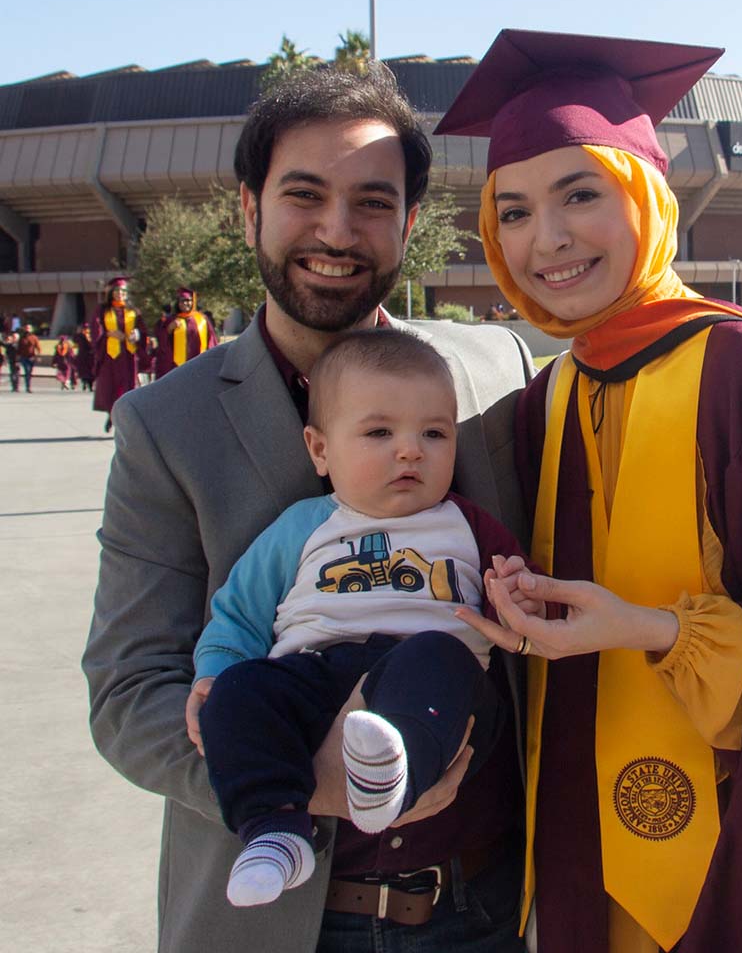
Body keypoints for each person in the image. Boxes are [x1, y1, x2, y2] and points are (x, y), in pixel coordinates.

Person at [438, 29, 742, 953]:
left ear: (648, 198)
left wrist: (651, 629)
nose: (544, 239)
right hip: (582, 850)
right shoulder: (547, 400)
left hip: (738, 859)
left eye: (579, 194)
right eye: (512, 211)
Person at [83, 64, 534, 953]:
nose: (336, 231)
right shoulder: (164, 426)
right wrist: (305, 782)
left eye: (372, 202)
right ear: (248, 208)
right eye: (303, 194)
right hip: (278, 920)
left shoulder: (495, 378)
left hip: (487, 906)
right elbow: (129, 694)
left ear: (408, 222)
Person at [187, 328, 538, 908]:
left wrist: (520, 601)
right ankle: (274, 829)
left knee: (440, 655)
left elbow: (522, 593)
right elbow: (237, 617)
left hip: (428, 686)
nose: (410, 450)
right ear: (320, 450)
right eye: (379, 432)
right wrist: (215, 674)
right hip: (315, 676)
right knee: (241, 689)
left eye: (434, 433)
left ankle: (391, 776)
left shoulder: (467, 526)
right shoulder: (303, 527)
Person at [90, 277, 148, 431]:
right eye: (116, 291)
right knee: (110, 387)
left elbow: (142, 331)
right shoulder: (102, 310)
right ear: (111, 293)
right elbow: (96, 329)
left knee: (127, 388)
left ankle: (122, 418)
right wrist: (109, 334)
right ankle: (111, 415)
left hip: (128, 357)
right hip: (110, 356)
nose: (119, 294)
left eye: (123, 291)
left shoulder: (133, 311)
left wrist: (137, 334)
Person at [153, 286, 219, 378]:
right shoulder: (171, 320)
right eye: (182, 300)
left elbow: (211, 340)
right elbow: (162, 341)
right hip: (176, 367)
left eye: (188, 300)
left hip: (199, 366)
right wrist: (169, 329)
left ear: (193, 302)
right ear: (178, 303)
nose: (185, 303)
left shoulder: (202, 319)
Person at [16, 324, 41, 393]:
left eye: (29, 328)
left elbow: (38, 347)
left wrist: (38, 356)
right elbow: (19, 349)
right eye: (26, 328)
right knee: (27, 371)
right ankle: (28, 387)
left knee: (30, 372)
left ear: (31, 329)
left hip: (31, 357)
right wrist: (17, 359)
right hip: (24, 357)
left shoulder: (34, 337)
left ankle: (28, 384)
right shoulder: (22, 338)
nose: (27, 330)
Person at [73, 322, 95, 391]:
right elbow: (75, 341)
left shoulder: (91, 335)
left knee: (89, 372)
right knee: (85, 372)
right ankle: (86, 384)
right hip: (84, 356)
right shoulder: (81, 335)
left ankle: (88, 384)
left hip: (89, 356)